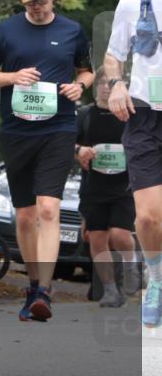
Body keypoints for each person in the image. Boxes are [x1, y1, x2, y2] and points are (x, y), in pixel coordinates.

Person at [0, 0, 93, 322]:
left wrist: (80, 87)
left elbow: (85, 71)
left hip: (58, 129)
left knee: (47, 209)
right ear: (22, 0)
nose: (37, 8)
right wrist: (13, 77)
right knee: (25, 216)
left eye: (42, 1)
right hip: (17, 131)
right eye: (30, 2)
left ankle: (44, 290)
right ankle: (32, 283)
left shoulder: (71, 30)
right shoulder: (6, 30)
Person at [103, 0, 162, 327]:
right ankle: (156, 279)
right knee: (147, 219)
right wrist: (117, 85)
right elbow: (113, 58)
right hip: (145, 118)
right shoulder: (132, 3)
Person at [75, 69, 139, 308]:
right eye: (100, 83)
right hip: (94, 186)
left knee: (119, 234)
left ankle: (131, 266)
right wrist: (79, 151)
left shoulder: (130, 114)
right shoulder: (84, 115)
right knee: (97, 238)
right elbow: (67, 143)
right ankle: (111, 290)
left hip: (125, 186)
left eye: (109, 83)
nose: (104, 87)